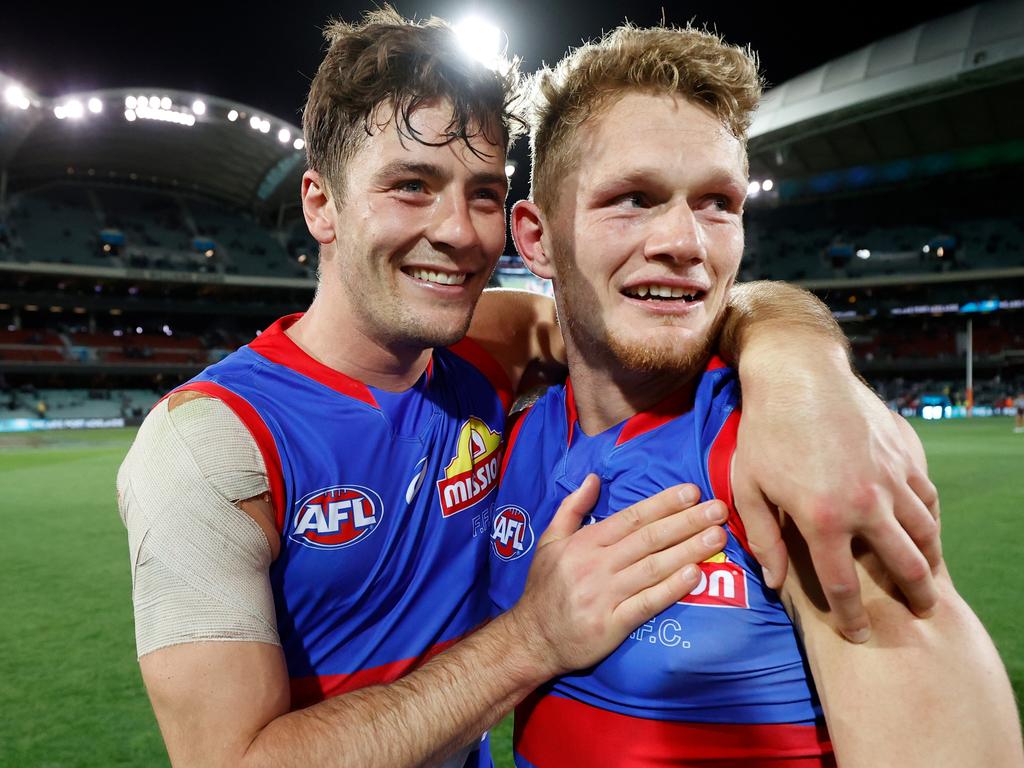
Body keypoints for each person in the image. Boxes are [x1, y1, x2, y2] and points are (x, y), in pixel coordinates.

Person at [118, 9, 946, 768]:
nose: (457, 232)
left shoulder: (484, 353)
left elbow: (648, 314)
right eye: (411, 185)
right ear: (320, 203)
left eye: (482, 193)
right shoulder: (210, 445)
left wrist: (803, 370)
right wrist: (532, 640)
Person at [493, 22, 1023, 767]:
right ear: (536, 238)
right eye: (633, 198)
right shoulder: (502, 429)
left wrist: (801, 363)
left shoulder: (793, 462)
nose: (686, 242)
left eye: (717, 203)